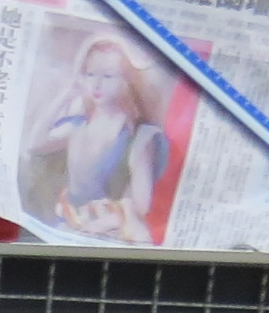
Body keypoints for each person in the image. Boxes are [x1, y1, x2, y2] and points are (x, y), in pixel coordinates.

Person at [25, 36, 171, 243]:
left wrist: (102, 223)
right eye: (90, 74)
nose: (97, 84)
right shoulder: (77, 126)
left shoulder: (140, 137)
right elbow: (35, 145)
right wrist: (66, 95)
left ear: (128, 80)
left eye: (108, 76)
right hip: (69, 224)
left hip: (110, 232)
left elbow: (141, 205)